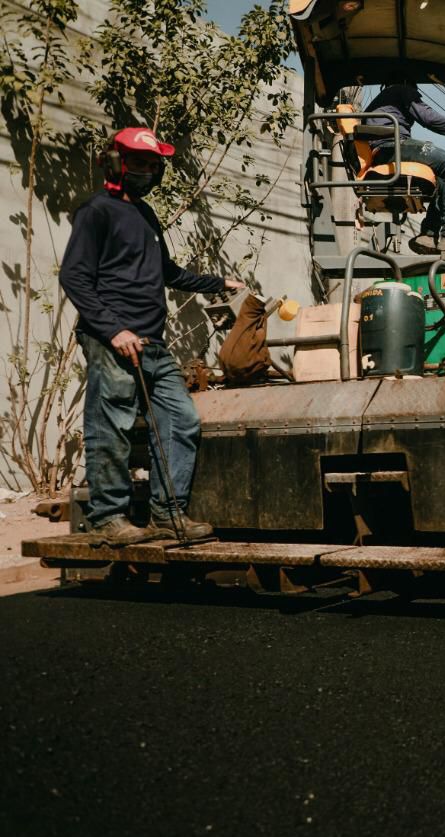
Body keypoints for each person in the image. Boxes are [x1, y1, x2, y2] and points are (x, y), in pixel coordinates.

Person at [59, 127, 245, 545]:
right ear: (115, 163)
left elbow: (168, 272)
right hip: (114, 341)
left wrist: (219, 282)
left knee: (181, 420)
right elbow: (74, 276)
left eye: (152, 165)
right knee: (113, 426)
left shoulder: (144, 214)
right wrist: (113, 330)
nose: (146, 171)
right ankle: (109, 518)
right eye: (138, 163)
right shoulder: (96, 211)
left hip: (153, 343)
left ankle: (167, 513)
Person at [362, 83, 445, 255]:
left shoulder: (380, 102)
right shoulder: (402, 89)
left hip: (385, 151)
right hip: (393, 146)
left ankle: (428, 234)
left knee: (443, 178)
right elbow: (428, 118)